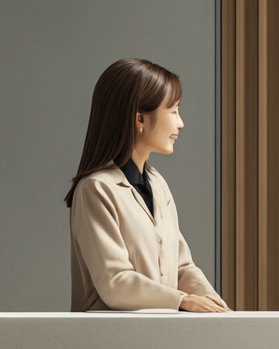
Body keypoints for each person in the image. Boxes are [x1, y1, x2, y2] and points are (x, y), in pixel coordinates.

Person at [65, 58, 230, 313]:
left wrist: (218, 306)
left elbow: (182, 267)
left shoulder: (158, 185)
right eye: (173, 111)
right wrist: (182, 300)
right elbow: (115, 283)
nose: (180, 123)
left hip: (159, 340)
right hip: (108, 345)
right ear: (140, 118)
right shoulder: (96, 190)